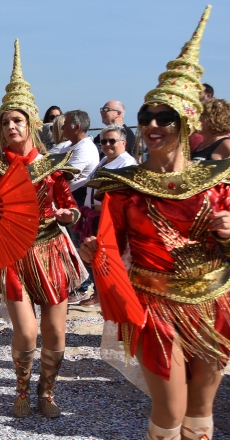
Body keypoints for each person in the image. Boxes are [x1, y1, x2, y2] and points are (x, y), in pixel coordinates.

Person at [82, 9, 226, 438]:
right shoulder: (125, 186)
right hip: (154, 306)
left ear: (186, 122)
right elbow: (110, 247)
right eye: (147, 116)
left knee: (201, 406)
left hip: (214, 301)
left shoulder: (219, 182)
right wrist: (95, 252)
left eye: (165, 117)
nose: (153, 125)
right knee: (171, 406)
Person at [0, 40, 84, 418]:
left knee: (55, 331)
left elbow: (70, 205)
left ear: (31, 124)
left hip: (52, 251)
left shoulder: (53, 166)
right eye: (5, 122)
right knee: (27, 331)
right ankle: (21, 387)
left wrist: (69, 215)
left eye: (17, 120)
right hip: (15, 255)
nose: (10, 126)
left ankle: (47, 392)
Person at [77, 124, 136, 308]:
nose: (107, 145)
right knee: (96, 261)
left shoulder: (127, 164)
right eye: (103, 141)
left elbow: (128, 198)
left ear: (124, 142)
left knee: (111, 264)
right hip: (94, 219)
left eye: (112, 141)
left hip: (112, 221)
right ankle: (100, 294)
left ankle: (110, 298)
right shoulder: (104, 161)